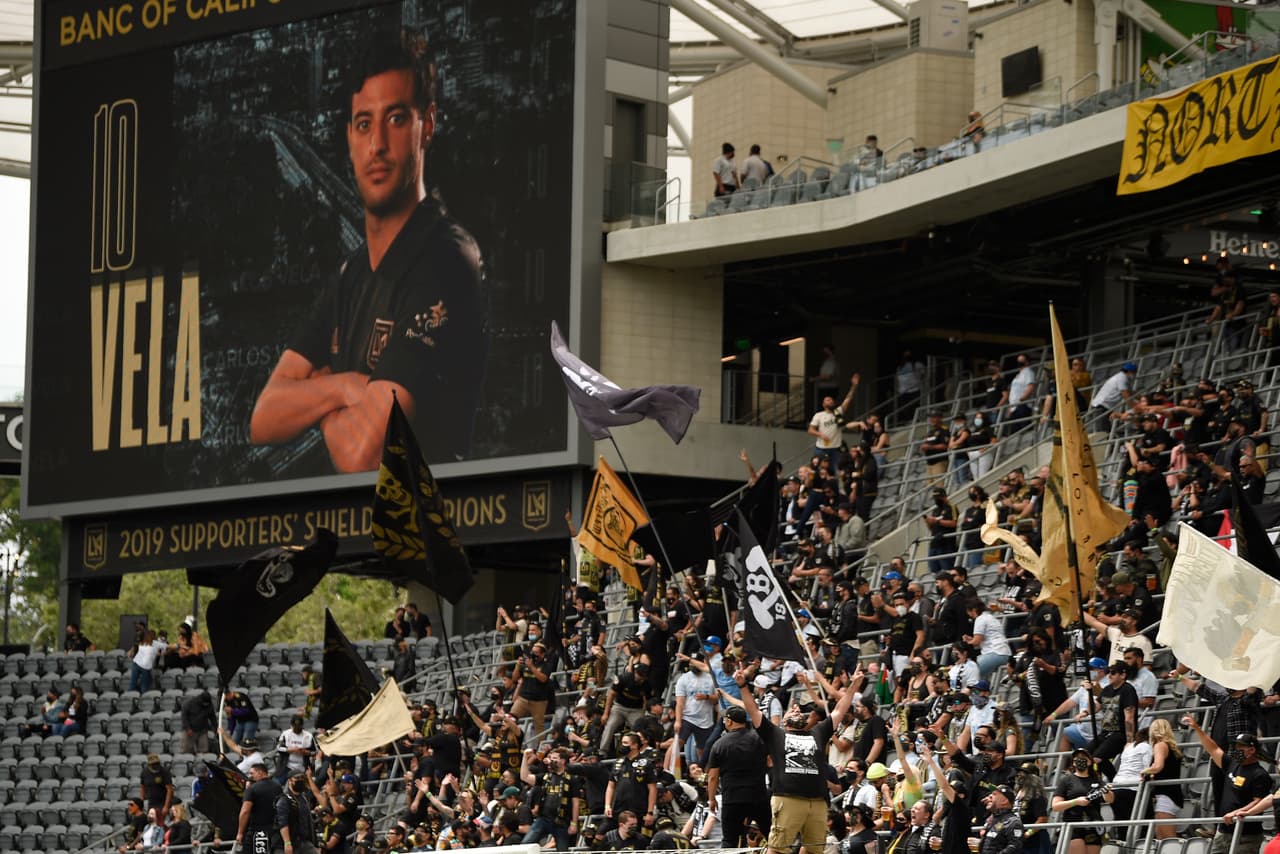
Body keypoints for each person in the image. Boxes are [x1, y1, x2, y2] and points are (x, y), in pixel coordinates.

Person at [251, 27, 486, 471]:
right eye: (364, 124)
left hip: (431, 533)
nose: (377, 144)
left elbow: (363, 453)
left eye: (396, 119)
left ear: (427, 126)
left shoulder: (445, 259)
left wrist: (316, 395)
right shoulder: (351, 274)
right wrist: (343, 389)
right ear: (349, 137)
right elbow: (263, 417)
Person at [738, 668, 857, 854]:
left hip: (817, 802)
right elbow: (753, 710)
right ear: (784, 721)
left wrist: (853, 687)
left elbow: (839, 710)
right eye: (791, 711)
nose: (796, 711)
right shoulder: (775, 734)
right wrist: (743, 686)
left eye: (799, 710)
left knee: (814, 850)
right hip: (788, 799)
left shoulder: (818, 732)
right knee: (777, 849)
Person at [1183, 719, 1271, 854]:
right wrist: (1197, 728)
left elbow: (1259, 801)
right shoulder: (1232, 764)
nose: (1236, 750)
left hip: (1246, 835)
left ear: (1251, 750)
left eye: (1240, 748)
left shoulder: (1260, 774)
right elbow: (1213, 748)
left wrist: (1237, 812)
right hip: (1223, 832)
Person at [706, 704, 770, 847]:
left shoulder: (719, 744)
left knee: (730, 841)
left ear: (729, 721)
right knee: (773, 837)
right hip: (758, 796)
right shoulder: (759, 739)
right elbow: (770, 761)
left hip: (733, 799)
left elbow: (713, 776)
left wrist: (711, 799)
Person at [1050, 748, 1113, 854]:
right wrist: (1076, 802)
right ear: (1073, 763)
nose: (1080, 760)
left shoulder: (1096, 780)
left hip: (1093, 824)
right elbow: (1055, 806)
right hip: (1073, 824)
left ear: (1089, 761)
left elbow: (1110, 800)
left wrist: (1107, 791)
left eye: (1083, 758)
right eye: (1077, 758)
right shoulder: (1067, 780)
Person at [1139, 719, 1184, 840]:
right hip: (1170, 794)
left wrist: (1144, 771)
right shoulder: (1171, 748)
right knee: (1160, 838)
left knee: (1168, 839)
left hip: (1166, 795)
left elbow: (1158, 766)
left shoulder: (1160, 745)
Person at [808, 374, 860, 473]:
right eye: (827, 400)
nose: (830, 401)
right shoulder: (819, 415)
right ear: (823, 404)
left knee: (837, 470)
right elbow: (810, 430)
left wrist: (854, 386)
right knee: (819, 470)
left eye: (831, 400)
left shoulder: (838, 412)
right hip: (822, 448)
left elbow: (848, 399)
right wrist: (820, 434)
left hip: (836, 449)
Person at [237, 762, 283, 854]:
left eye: (252, 773)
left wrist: (240, 832)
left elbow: (245, 811)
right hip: (275, 831)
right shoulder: (278, 787)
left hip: (258, 832)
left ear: (260, 773)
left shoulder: (252, 789)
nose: (250, 776)